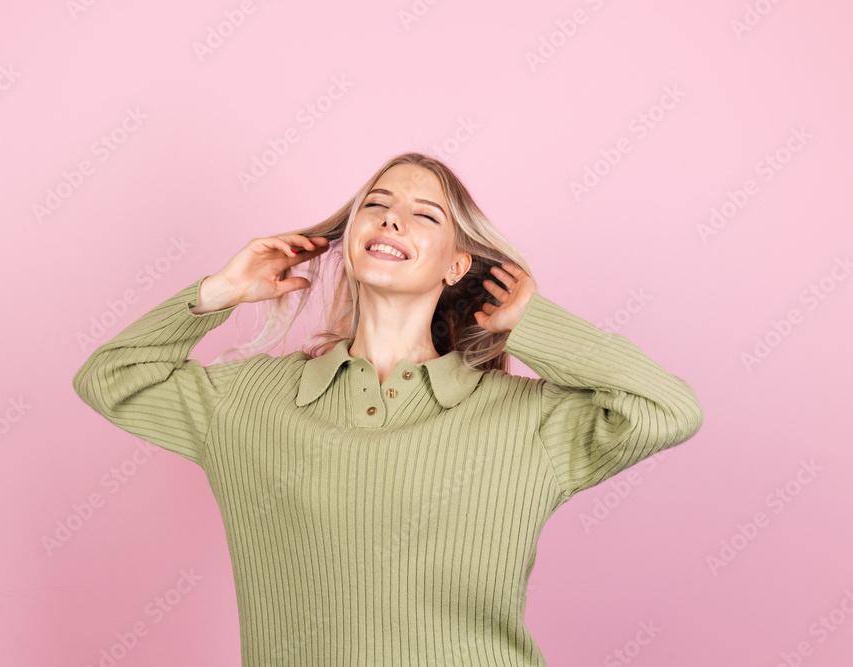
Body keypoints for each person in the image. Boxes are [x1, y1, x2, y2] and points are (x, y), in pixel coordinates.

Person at [72, 151, 703, 666]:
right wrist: (220, 292)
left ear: (459, 264)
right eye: (375, 206)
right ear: (348, 242)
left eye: (423, 215)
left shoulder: (526, 421)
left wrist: (532, 323)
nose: (391, 220)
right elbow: (111, 376)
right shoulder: (246, 402)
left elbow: (669, 409)